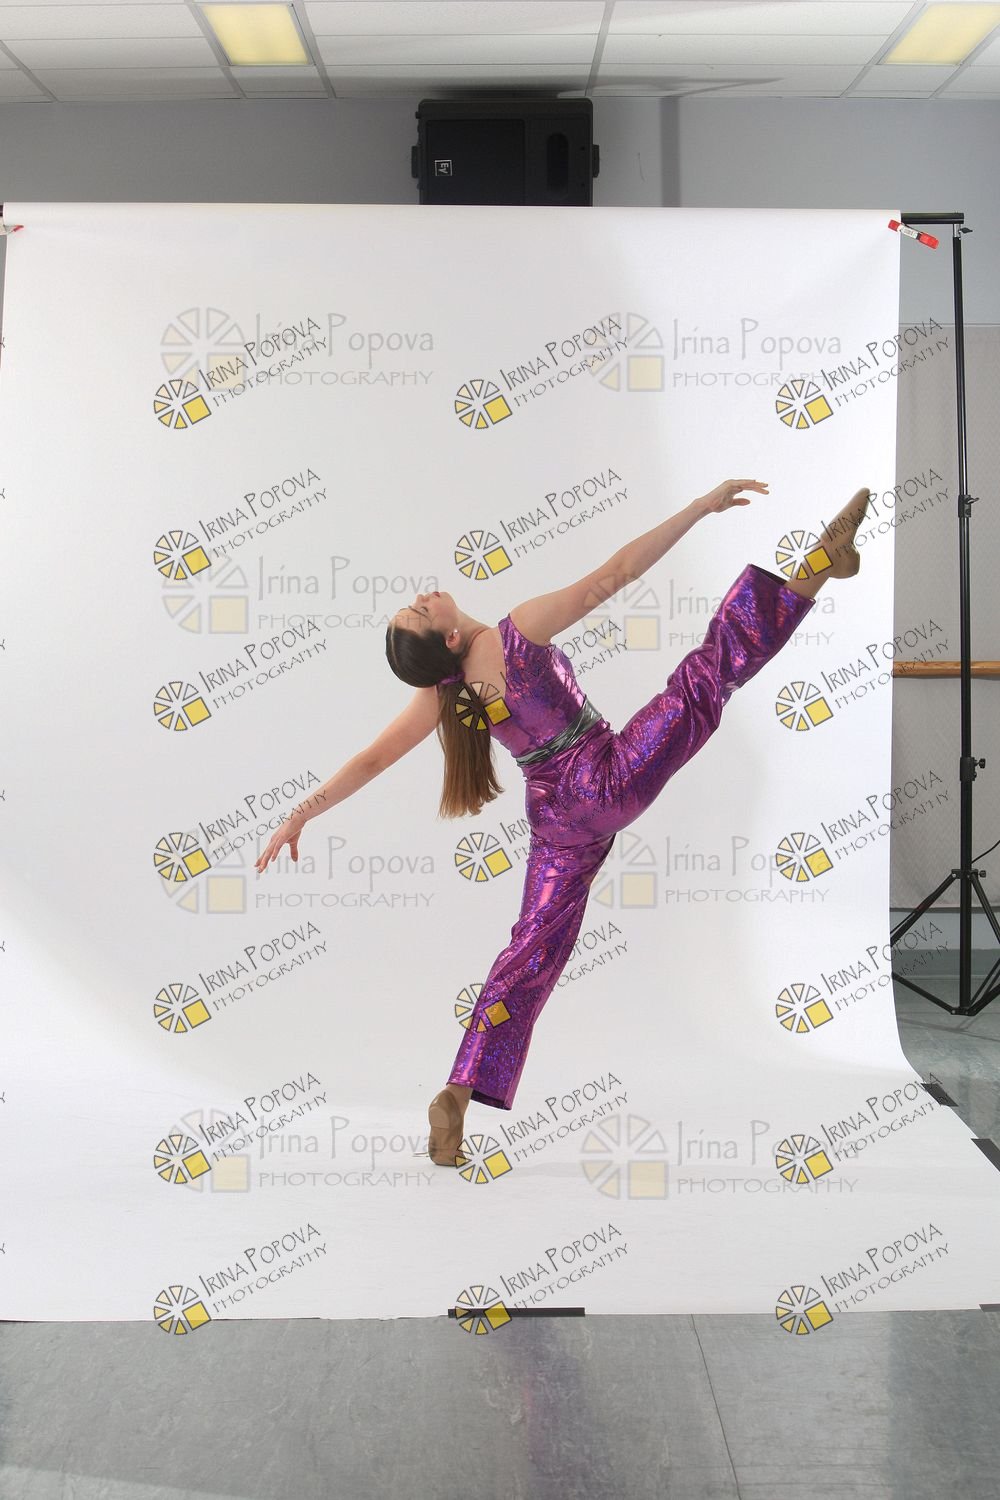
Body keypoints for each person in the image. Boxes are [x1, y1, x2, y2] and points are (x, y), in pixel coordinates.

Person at [255, 480, 872, 1168]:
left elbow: (373, 759)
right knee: (703, 678)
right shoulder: (516, 633)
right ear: (450, 636)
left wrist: (299, 815)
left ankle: (458, 1090)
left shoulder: (447, 692)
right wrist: (699, 509)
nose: (425, 594)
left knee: (532, 946)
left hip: (554, 814)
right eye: (420, 609)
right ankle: (817, 567)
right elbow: (618, 572)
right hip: (607, 778)